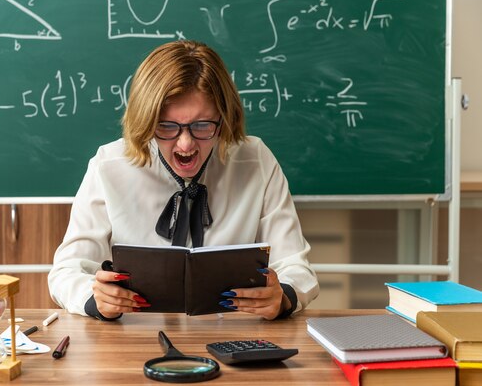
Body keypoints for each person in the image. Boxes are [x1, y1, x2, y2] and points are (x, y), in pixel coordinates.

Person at [48, 40, 319, 321]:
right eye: (167, 126)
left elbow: (296, 267)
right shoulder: (109, 165)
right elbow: (67, 272)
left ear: (225, 120)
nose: (186, 144)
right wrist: (95, 300)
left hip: (236, 337)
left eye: (202, 125)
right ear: (145, 121)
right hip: (133, 340)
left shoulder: (256, 160)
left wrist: (283, 296)